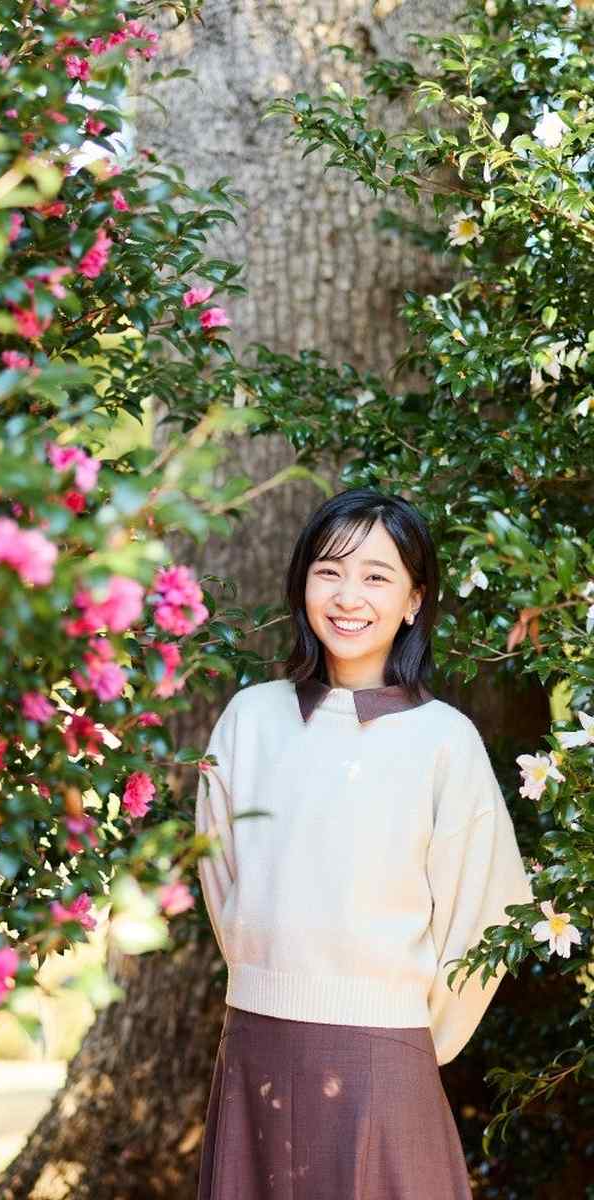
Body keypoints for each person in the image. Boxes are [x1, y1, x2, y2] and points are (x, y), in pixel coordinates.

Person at [194, 487, 535, 1200]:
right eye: (330, 571)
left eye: (377, 576)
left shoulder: (444, 741)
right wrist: (269, 976)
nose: (349, 597)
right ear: (302, 584)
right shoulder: (249, 721)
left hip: (387, 1057)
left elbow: (487, 912)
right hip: (255, 1037)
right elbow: (222, 876)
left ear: (414, 600)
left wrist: (402, 1033)